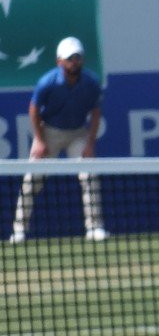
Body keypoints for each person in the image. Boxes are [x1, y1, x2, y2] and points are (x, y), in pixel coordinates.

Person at [9, 37, 107, 244]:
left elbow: (96, 112)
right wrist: (39, 139)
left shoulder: (91, 82)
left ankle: (95, 228)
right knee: (31, 181)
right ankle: (18, 231)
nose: (74, 62)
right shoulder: (47, 82)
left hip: (78, 134)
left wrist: (90, 143)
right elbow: (34, 110)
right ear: (59, 62)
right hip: (50, 133)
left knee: (89, 176)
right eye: (70, 59)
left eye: (78, 58)